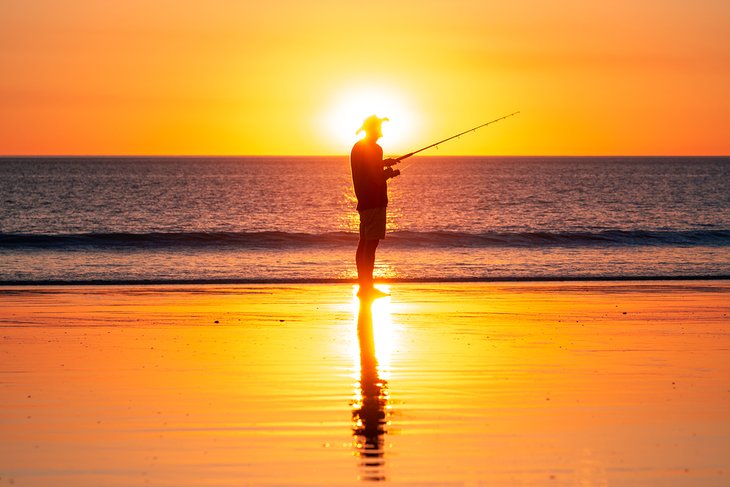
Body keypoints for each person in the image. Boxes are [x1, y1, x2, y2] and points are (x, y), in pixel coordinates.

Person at [350, 115, 400, 298]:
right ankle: (367, 287)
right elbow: (374, 177)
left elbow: (367, 169)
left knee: (363, 242)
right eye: (379, 127)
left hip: (364, 201)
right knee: (371, 244)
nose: (382, 131)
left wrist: (383, 163)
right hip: (374, 201)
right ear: (373, 129)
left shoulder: (359, 147)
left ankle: (364, 286)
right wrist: (389, 173)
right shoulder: (375, 148)